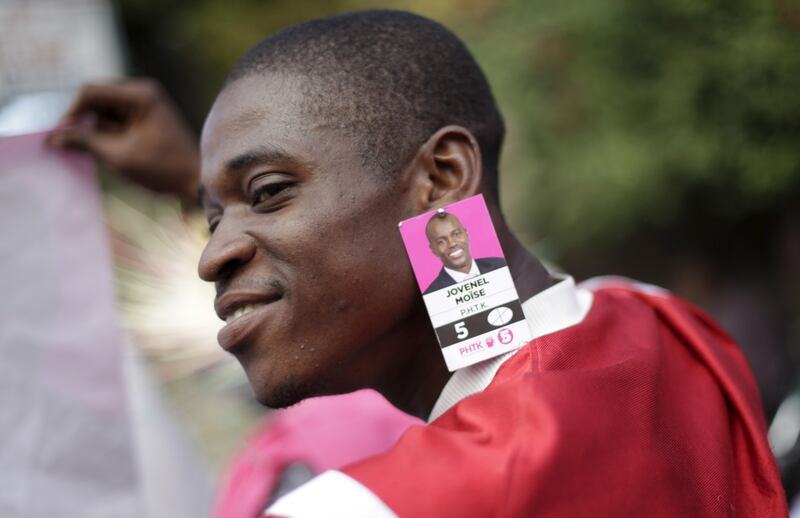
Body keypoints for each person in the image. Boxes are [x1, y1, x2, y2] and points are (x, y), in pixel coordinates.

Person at [51, 10, 786, 517]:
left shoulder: (356, 508)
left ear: (440, 177)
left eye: (268, 192)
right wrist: (207, 184)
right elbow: (482, 313)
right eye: (216, 218)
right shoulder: (668, 334)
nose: (213, 255)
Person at [423, 211, 505, 294]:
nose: (452, 243)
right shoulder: (432, 295)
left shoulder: (502, 266)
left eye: (456, 234)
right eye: (441, 242)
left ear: (466, 234)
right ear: (433, 250)